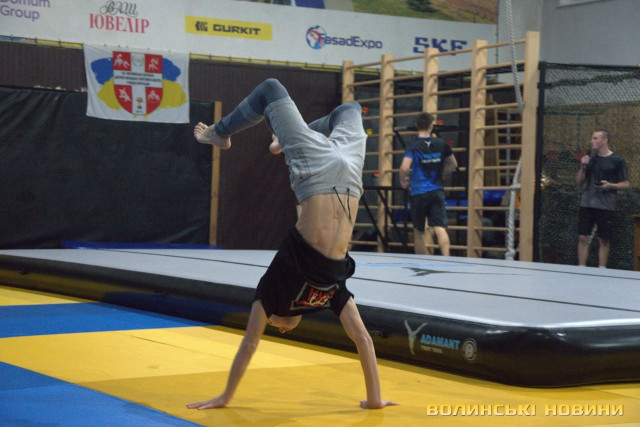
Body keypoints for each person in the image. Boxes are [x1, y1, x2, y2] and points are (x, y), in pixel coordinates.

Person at [188, 78, 396, 410]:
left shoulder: (273, 290)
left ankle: (219, 133)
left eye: (271, 326)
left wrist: (226, 397)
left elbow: (250, 344)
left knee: (271, 89)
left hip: (316, 173)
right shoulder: (331, 292)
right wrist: (374, 399)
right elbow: (364, 340)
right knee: (351, 109)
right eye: (277, 327)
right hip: (350, 174)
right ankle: (285, 139)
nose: (279, 329)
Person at [399, 112, 457, 255]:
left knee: (419, 231)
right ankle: (447, 259)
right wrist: (442, 173)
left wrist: (403, 180)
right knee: (440, 227)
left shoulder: (413, 145)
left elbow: (404, 167)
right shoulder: (441, 143)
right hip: (436, 191)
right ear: (431, 126)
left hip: (418, 192)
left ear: (416, 125)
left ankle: (421, 263)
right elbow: (453, 164)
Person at [576, 130, 629, 268]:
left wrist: (610, 185)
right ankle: (581, 269)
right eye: (592, 138)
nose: (592, 141)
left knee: (604, 239)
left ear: (604, 140)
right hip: (587, 202)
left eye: (595, 138)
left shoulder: (617, 160)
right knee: (583, 237)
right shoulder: (590, 159)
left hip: (606, 204)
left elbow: (626, 184)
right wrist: (583, 166)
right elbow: (579, 182)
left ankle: (602, 270)